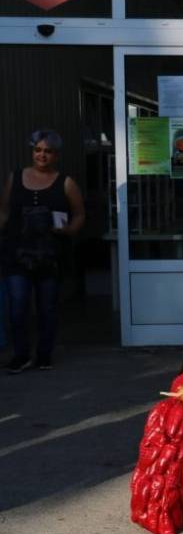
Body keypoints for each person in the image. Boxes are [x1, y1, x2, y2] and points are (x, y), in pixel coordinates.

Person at [0, 129, 85, 373]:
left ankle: (44, 354)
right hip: (17, 253)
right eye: (38, 150)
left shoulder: (65, 182)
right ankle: (21, 354)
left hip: (50, 254)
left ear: (56, 155)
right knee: (17, 305)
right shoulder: (14, 178)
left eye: (48, 151)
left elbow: (79, 214)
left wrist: (70, 230)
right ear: (32, 151)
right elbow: (4, 211)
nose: (42, 155)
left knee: (47, 306)